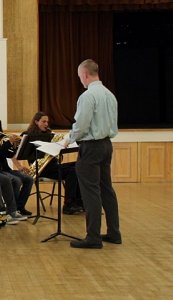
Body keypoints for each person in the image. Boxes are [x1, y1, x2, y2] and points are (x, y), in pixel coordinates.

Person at [66, 59, 120, 249]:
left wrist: (69, 139)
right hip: (106, 145)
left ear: (85, 74)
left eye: (80, 76)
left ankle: (93, 237)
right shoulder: (109, 95)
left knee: (91, 192)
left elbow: (82, 125)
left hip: (91, 148)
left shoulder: (88, 96)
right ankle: (114, 233)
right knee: (107, 190)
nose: (80, 80)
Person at [15, 112, 83, 214]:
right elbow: (14, 153)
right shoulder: (27, 135)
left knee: (79, 166)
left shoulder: (49, 135)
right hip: (41, 168)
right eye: (44, 121)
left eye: (47, 122)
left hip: (53, 166)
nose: (46, 124)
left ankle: (79, 201)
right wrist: (19, 166)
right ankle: (69, 204)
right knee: (72, 171)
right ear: (36, 122)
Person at [0, 116, 34, 216]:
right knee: (16, 180)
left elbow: (7, 154)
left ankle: (19, 206)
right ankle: (11, 210)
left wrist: (15, 146)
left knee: (29, 179)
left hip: (6, 169)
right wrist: (8, 143)